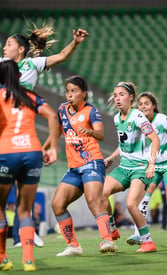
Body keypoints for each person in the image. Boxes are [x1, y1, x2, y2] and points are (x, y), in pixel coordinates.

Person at [0, 59, 58, 271]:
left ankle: (2, 257)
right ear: (19, 77)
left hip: (6, 153)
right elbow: (53, 116)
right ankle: (28, 260)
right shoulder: (30, 96)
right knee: (24, 209)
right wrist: (53, 148)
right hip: (32, 152)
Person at [43, 75, 116, 256]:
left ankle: (108, 240)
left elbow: (100, 135)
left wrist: (89, 131)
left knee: (93, 200)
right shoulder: (62, 110)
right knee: (57, 204)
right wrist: (44, 149)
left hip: (92, 162)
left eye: (74, 91)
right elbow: (57, 132)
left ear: (84, 94)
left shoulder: (91, 111)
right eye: (68, 91)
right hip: (74, 168)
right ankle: (73, 245)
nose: (69, 94)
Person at [125, 92, 167, 245]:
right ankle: (137, 234)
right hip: (151, 166)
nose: (143, 107)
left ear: (154, 106)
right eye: (140, 104)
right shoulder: (137, 123)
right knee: (143, 198)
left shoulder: (162, 120)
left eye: (147, 103)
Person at [103, 82, 160, 253]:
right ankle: (112, 228)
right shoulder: (116, 118)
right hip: (124, 167)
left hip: (140, 168)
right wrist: (112, 158)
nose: (117, 98)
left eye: (121, 94)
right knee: (101, 193)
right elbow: (123, 144)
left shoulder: (137, 116)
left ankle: (148, 242)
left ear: (131, 98)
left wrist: (151, 164)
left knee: (131, 204)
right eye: (115, 95)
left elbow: (155, 140)